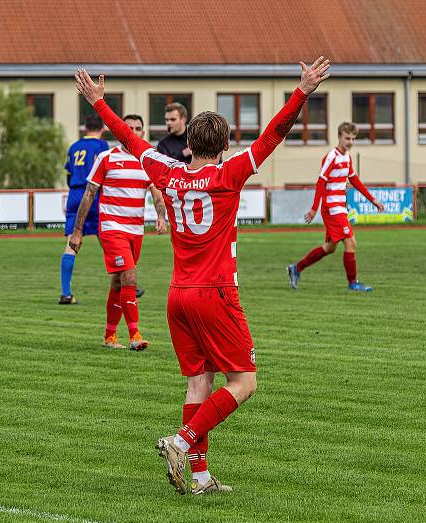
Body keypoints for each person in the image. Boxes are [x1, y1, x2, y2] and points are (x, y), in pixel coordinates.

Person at [75, 55, 330, 495]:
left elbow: (131, 141)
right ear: (225, 145)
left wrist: (99, 103)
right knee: (244, 381)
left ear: (188, 144)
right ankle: (182, 440)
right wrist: (302, 91)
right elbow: (275, 134)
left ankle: (198, 476)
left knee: (199, 381)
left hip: (178, 296)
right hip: (215, 293)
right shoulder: (229, 173)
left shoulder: (168, 172)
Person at [68, 115, 167, 351]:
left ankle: (109, 337)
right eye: (128, 128)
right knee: (130, 278)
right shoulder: (106, 157)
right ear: (119, 131)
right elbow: (89, 194)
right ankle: (135, 336)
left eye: (138, 128)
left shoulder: (147, 161)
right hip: (113, 229)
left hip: (136, 230)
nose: (133, 131)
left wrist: (161, 216)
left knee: (118, 283)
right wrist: (77, 232)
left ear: (143, 132)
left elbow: (156, 193)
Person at [287, 123, 384, 292]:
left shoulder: (347, 158)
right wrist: (314, 208)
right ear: (339, 136)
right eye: (347, 138)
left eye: (353, 139)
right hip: (332, 208)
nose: (350, 142)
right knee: (351, 242)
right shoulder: (331, 156)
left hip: (340, 207)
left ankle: (296, 268)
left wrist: (372, 199)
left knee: (330, 248)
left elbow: (355, 180)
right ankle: (353, 283)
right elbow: (321, 182)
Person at [59, 115, 109, 304]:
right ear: (103, 128)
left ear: (85, 128)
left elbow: (69, 173)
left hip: (74, 194)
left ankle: (66, 293)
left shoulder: (74, 147)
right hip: (93, 194)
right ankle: (128, 285)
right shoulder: (102, 147)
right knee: (108, 242)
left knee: (72, 242)